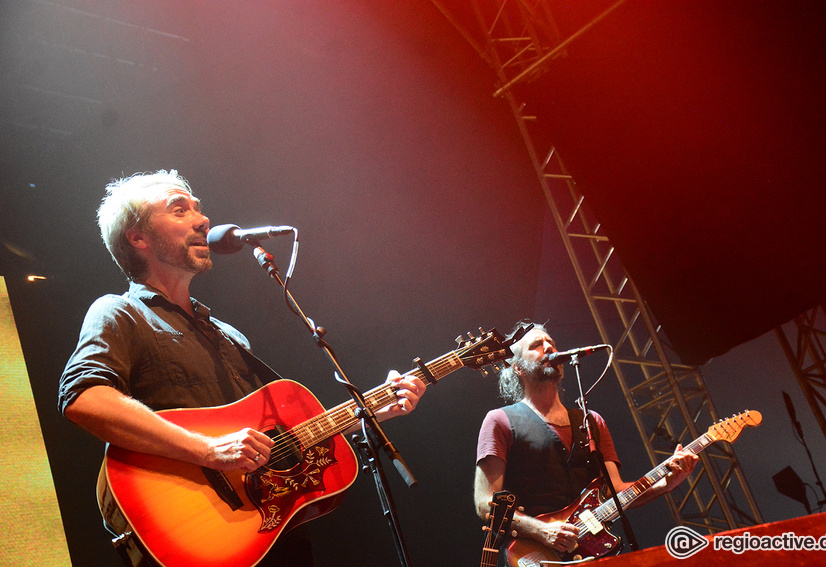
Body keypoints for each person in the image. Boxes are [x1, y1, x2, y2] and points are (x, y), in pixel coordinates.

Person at [58, 170, 426, 566]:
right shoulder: (119, 312)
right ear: (138, 237)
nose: (202, 220)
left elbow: (279, 439)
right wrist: (209, 449)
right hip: (195, 533)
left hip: (269, 539)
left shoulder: (229, 335)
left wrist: (368, 412)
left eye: (199, 209)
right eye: (179, 210)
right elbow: (84, 398)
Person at [473, 322, 697, 562]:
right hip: (533, 555)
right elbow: (485, 504)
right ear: (518, 368)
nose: (548, 347)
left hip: (591, 554)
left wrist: (666, 483)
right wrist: (542, 531)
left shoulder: (592, 422)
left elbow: (616, 493)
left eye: (551, 342)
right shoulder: (500, 420)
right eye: (537, 345)